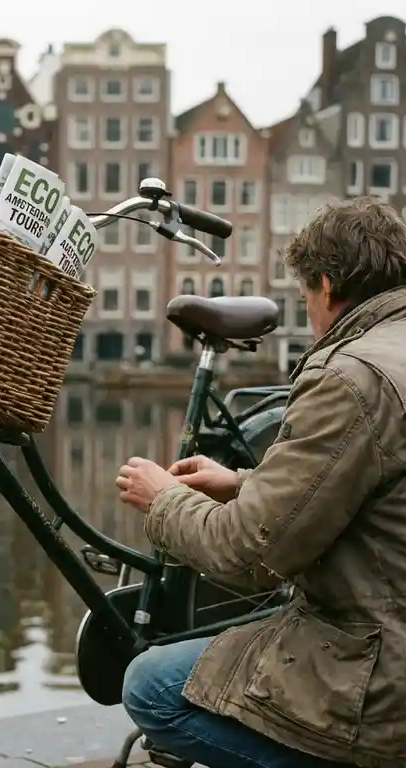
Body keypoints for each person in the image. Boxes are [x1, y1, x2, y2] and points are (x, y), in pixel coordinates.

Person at [114, 197, 406, 768]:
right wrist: (247, 481)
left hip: (382, 672)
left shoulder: (352, 380)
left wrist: (163, 500)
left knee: (149, 687)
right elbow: (364, 486)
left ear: (325, 284)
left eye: (305, 297)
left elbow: (252, 551)